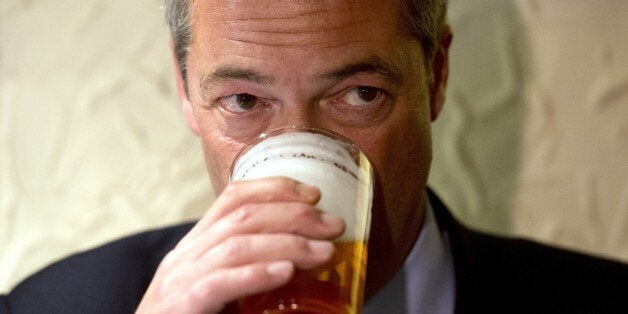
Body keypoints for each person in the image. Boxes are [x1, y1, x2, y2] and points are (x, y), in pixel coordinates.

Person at [2, 0, 628, 313]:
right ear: (184, 85)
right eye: (244, 99)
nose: (300, 162)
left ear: (436, 74)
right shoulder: (50, 304)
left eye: (359, 95)